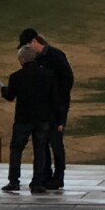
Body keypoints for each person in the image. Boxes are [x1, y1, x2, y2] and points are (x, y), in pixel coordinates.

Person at [18, 29, 74, 191]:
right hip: (42, 107)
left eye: (26, 46)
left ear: (34, 42)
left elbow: (68, 79)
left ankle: (59, 176)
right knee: (42, 142)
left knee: (55, 142)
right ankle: (45, 174)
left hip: (57, 106)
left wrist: (59, 101)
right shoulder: (35, 60)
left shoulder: (56, 56)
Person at [0, 46, 59, 194]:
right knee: (40, 150)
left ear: (22, 59)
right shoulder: (48, 75)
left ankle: (14, 181)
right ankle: (37, 183)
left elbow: (10, 96)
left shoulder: (16, 77)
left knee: (16, 150)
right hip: (42, 119)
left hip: (23, 119)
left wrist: (3, 90)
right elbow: (54, 99)